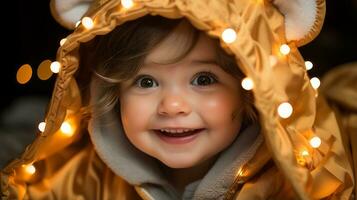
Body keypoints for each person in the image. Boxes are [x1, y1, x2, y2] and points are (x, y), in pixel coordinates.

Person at [1, 0, 355, 199]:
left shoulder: (288, 188)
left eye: (203, 79)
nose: (172, 106)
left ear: (251, 90)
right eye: (146, 81)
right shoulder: (81, 181)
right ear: (111, 92)